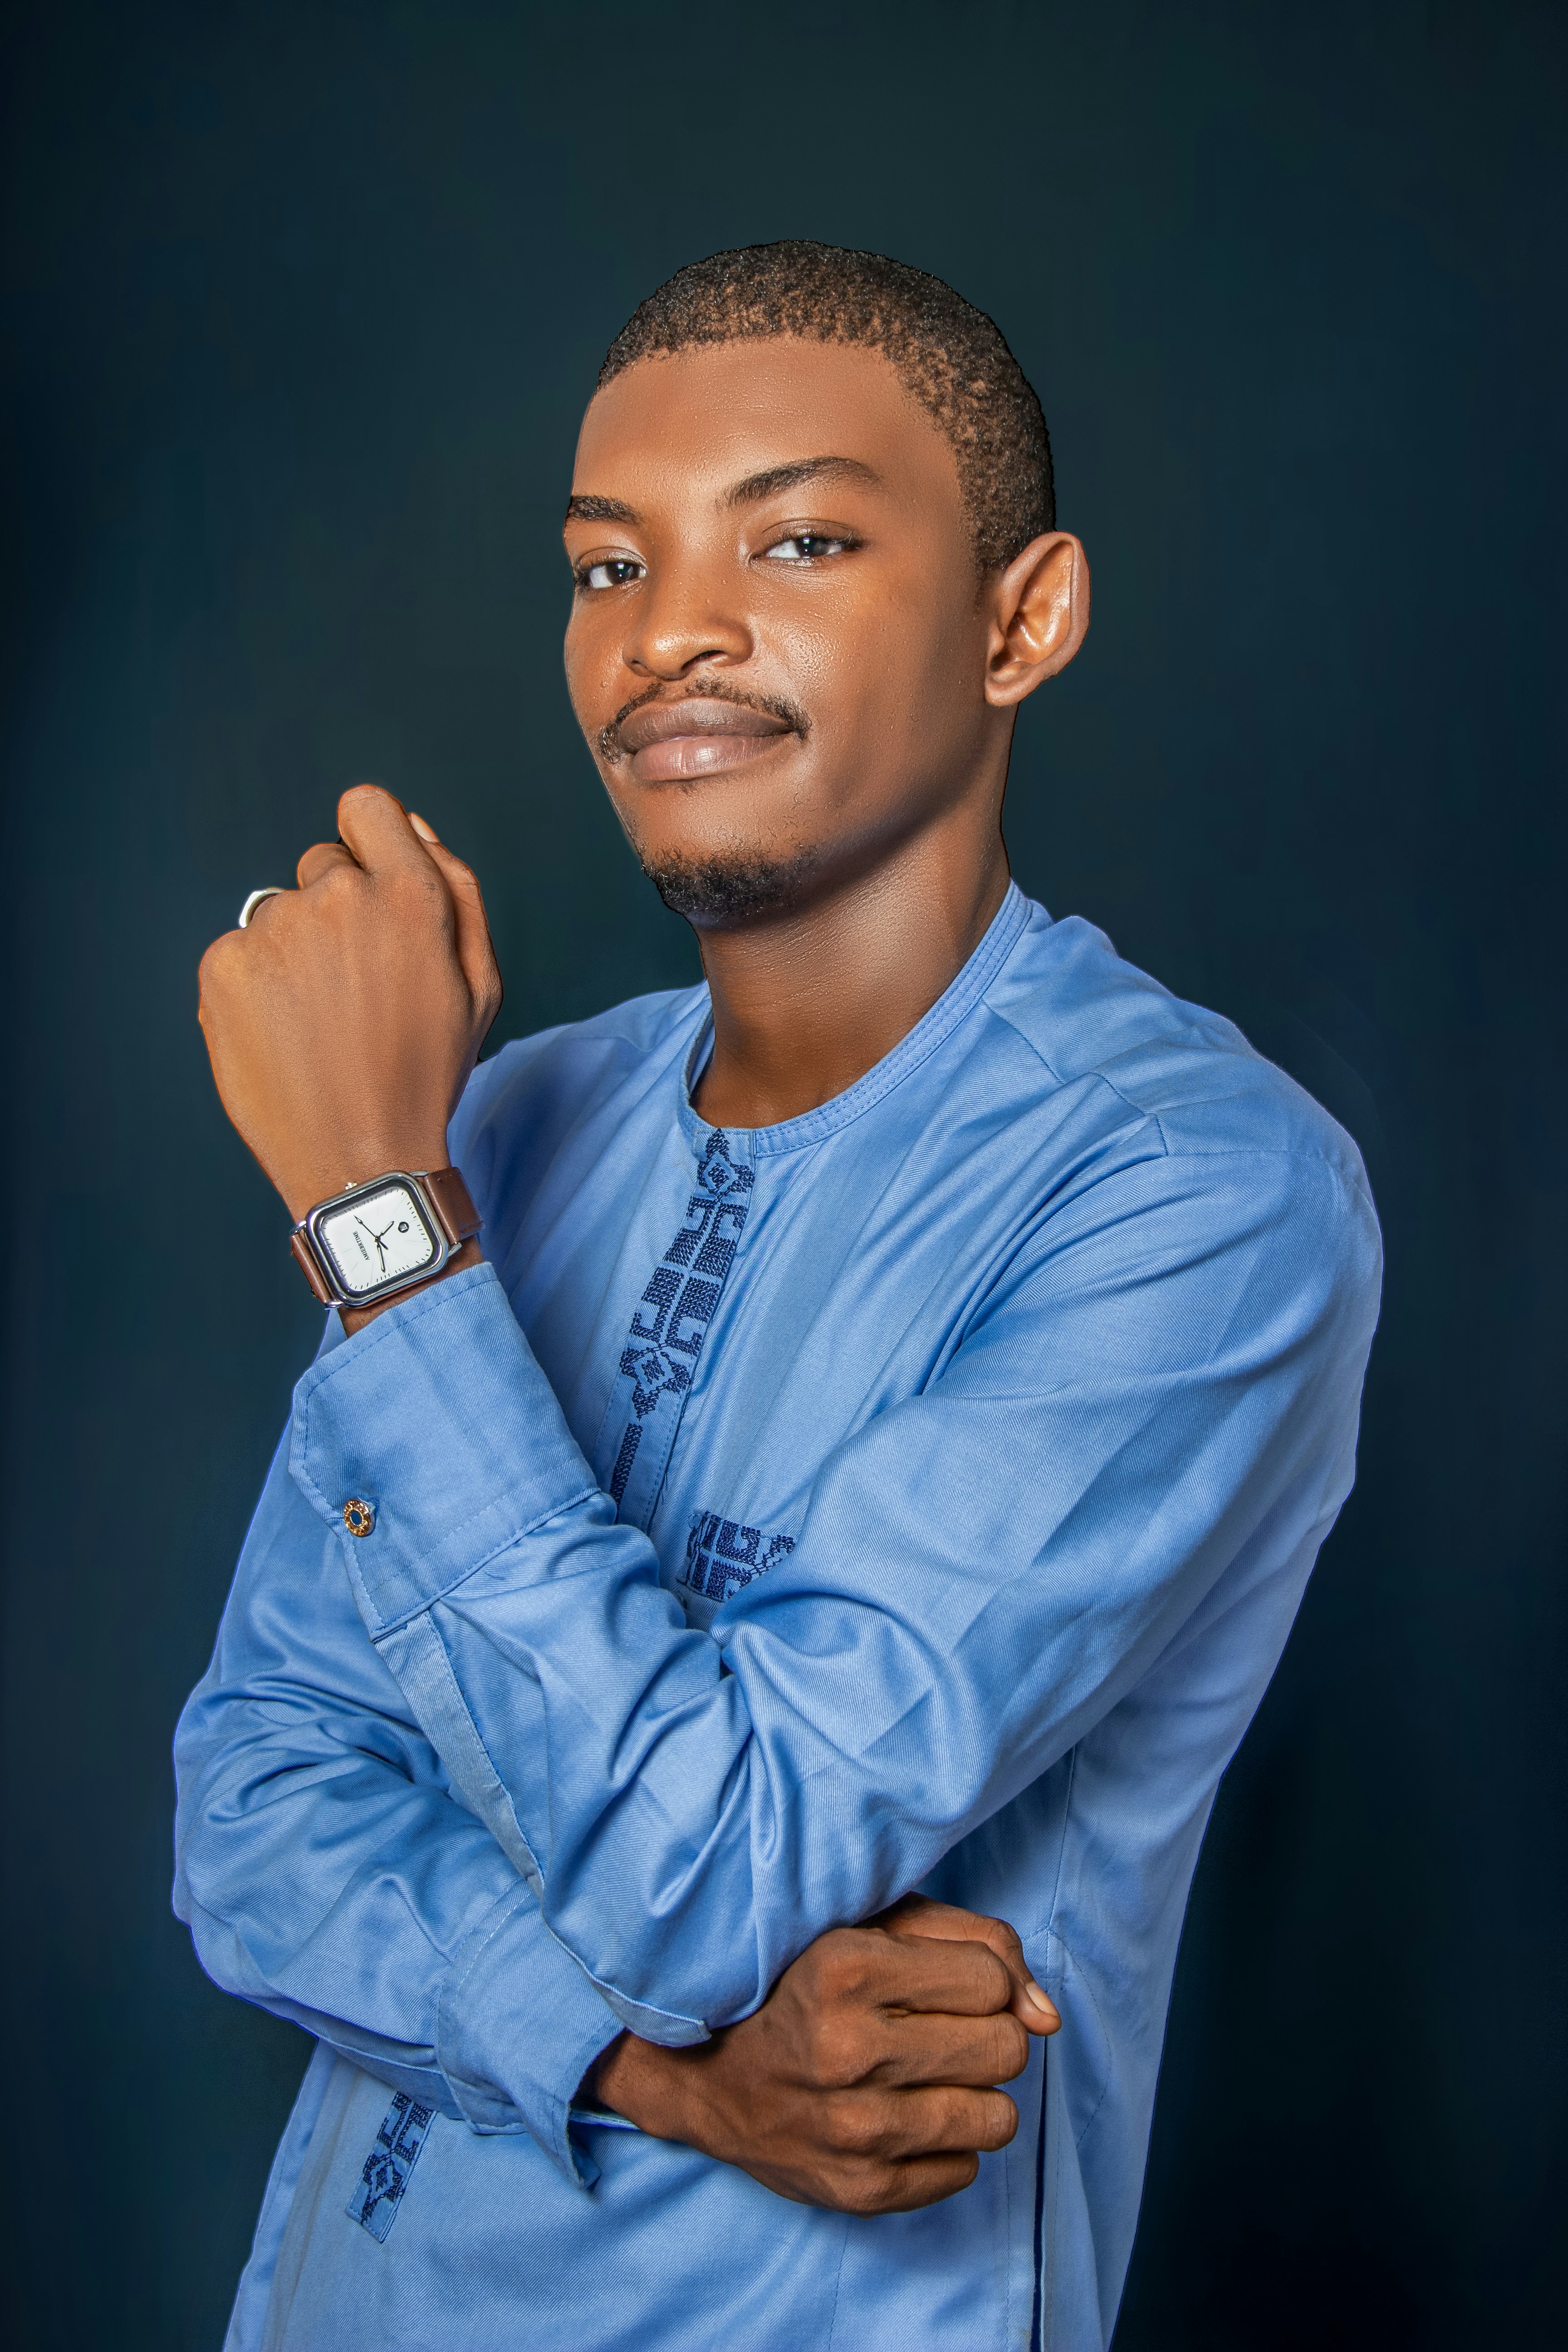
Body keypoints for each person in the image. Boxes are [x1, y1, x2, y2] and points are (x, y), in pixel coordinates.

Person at [177, 241, 1382, 2352]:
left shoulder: (1191, 1189)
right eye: (601, 567)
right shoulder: (519, 1122)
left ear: (1027, 617)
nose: (673, 639)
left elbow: (710, 1867)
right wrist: (665, 2070)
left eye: (801, 538)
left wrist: (377, 1202)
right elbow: (254, 1819)